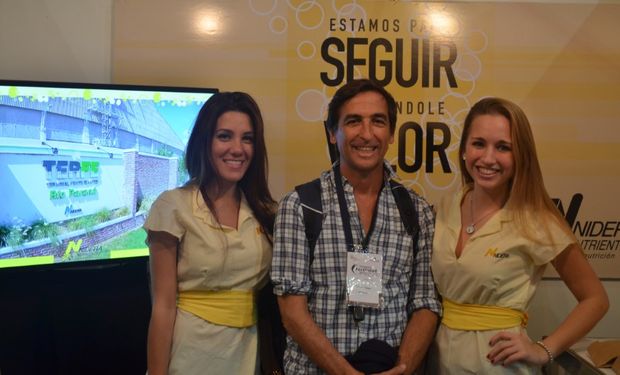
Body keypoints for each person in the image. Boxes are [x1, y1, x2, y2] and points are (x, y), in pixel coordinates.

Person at [271, 79, 442, 374]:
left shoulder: (417, 211)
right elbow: (292, 313)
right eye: (353, 122)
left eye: (378, 121)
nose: (366, 134)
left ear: (390, 134)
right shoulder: (300, 206)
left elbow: (425, 303)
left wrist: (401, 369)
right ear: (332, 133)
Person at [430, 97, 609, 374]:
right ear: (464, 148)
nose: (488, 158)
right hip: (439, 360)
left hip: (498, 366)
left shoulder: (536, 220)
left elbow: (595, 299)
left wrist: (544, 349)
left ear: (520, 155)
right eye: (479, 143)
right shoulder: (444, 207)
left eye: (503, 147)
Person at [144, 91, 278, 374]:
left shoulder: (264, 211)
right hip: (192, 353)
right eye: (224, 136)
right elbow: (163, 306)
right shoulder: (173, 206)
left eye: (247, 138)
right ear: (204, 142)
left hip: (247, 350)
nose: (238, 148)